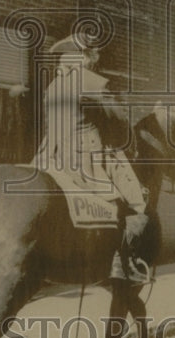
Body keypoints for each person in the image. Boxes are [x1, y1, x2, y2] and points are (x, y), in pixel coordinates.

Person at [34, 33, 152, 284]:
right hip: (84, 154)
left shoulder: (53, 86)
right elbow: (118, 121)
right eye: (91, 55)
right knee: (130, 201)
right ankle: (121, 263)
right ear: (83, 57)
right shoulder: (87, 81)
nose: (93, 60)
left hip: (50, 155)